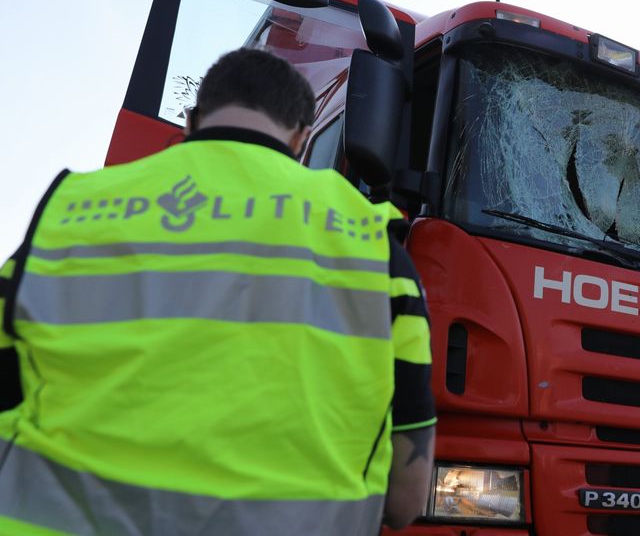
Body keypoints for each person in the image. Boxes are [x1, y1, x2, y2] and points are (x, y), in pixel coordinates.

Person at [0, 48, 435, 534]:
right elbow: (405, 499)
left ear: (192, 119)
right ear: (302, 137)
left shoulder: (72, 212)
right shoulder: (374, 244)